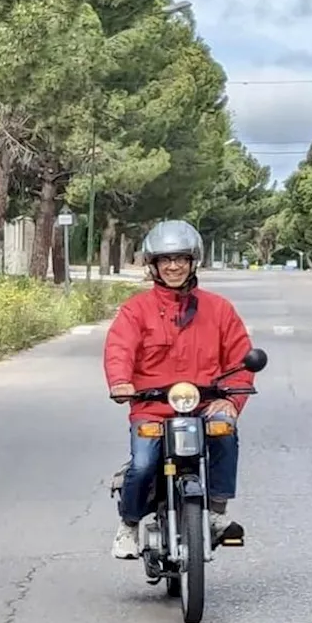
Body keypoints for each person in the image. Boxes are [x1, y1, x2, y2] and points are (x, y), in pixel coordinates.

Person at [103, 219, 253, 560]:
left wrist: (232, 399)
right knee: (142, 464)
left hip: (205, 404)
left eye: (181, 259)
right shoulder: (135, 310)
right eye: (165, 260)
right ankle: (128, 524)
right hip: (152, 406)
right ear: (153, 266)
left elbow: (241, 358)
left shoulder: (219, 309)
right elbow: (119, 349)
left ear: (193, 262)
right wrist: (120, 382)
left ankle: (215, 513)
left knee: (225, 432)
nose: (173, 266)